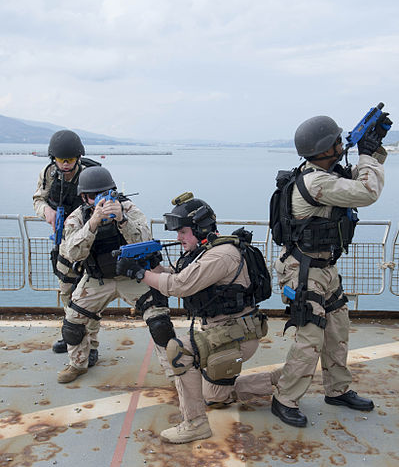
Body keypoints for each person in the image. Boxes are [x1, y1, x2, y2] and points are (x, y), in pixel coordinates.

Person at [116, 192, 280, 444]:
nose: (178, 238)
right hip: (226, 333)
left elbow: (180, 285)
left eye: (183, 232)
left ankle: (194, 424)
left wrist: (139, 273)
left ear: (199, 228)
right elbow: (178, 276)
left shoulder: (220, 255)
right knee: (214, 395)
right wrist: (153, 267)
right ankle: (277, 381)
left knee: (178, 350)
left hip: (236, 336)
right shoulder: (205, 250)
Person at [270, 110, 392, 427]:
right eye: (336, 141)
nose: (340, 144)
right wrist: (366, 154)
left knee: (337, 329)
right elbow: (367, 191)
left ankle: (337, 390)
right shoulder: (317, 182)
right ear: (323, 149)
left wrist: (374, 150)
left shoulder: (327, 174)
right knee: (310, 337)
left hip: (324, 266)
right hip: (304, 270)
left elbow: (358, 178)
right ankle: (284, 399)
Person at [57, 166, 175, 384]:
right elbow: (72, 252)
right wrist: (92, 223)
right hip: (97, 279)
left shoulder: (129, 209)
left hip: (133, 276)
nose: (100, 200)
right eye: (93, 196)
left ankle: (176, 373)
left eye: (104, 193)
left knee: (159, 323)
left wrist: (122, 221)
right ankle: (78, 363)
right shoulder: (79, 217)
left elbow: (145, 241)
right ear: (84, 198)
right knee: (73, 323)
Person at [33, 129, 100, 365]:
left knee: (89, 297)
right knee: (66, 291)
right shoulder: (49, 174)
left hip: (88, 243)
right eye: (61, 160)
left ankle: (91, 344)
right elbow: (38, 199)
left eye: (69, 160)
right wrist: (47, 212)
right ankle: (72, 336)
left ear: (78, 158)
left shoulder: (91, 176)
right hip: (63, 243)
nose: (65, 165)